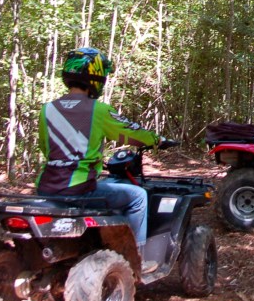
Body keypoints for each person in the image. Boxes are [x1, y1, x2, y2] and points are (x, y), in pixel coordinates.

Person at [36, 47, 165, 272]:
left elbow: (45, 148)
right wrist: (157, 140)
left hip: (46, 188)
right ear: (95, 78)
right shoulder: (98, 110)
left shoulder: (47, 110)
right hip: (79, 189)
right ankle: (138, 259)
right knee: (138, 197)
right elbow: (132, 133)